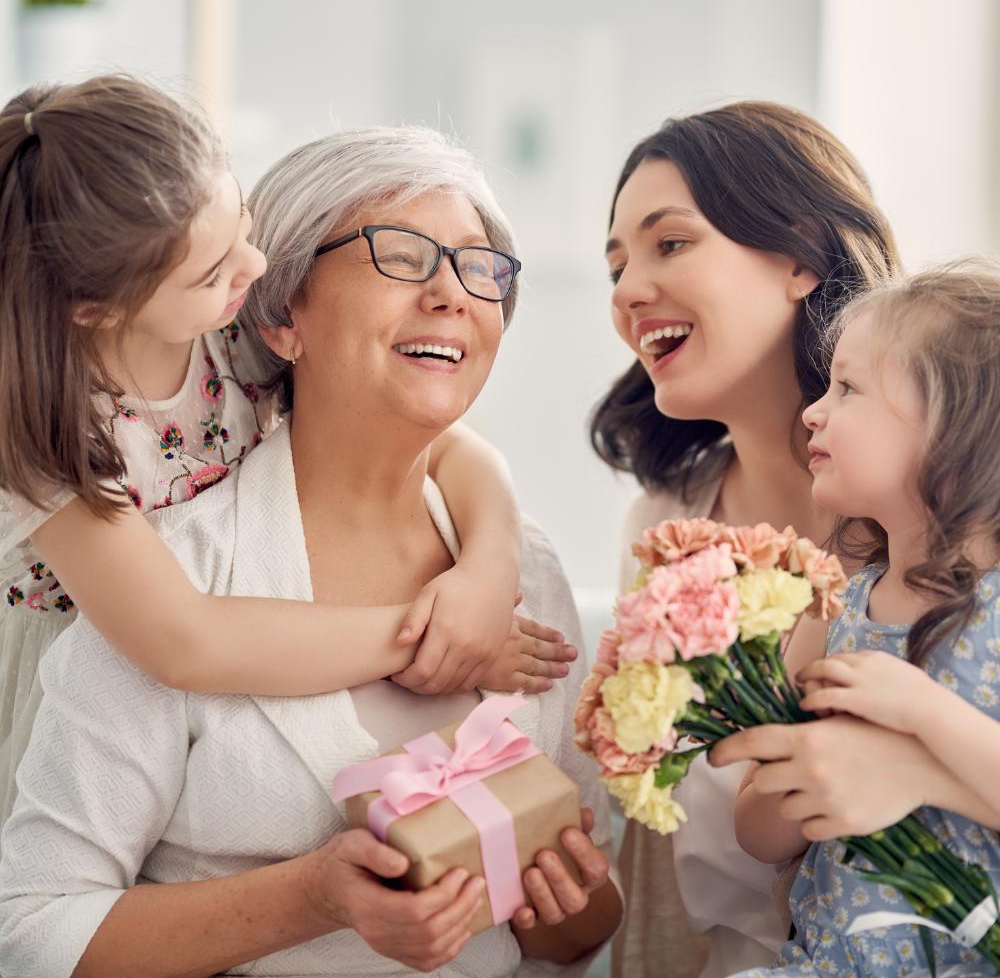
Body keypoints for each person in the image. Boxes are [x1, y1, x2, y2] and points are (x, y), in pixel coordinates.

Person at [0, 125, 622, 977]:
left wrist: (567, 903)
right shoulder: (159, 573)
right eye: (402, 254)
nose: (452, 293)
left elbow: (575, 934)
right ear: (282, 317)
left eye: (480, 266)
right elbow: (29, 937)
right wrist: (311, 898)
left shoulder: (523, 568)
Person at [591, 101, 899, 977]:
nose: (626, 291)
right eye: (615, 265)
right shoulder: (663, 528)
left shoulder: (950, 510)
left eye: (670, 244)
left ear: (800, 254)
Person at [720, 261, 1000, 976]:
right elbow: (755, 831)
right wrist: (807, 772)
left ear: (955, 427)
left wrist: (921, 713)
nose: (814, 411)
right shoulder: (833, 608)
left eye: (848, 388)